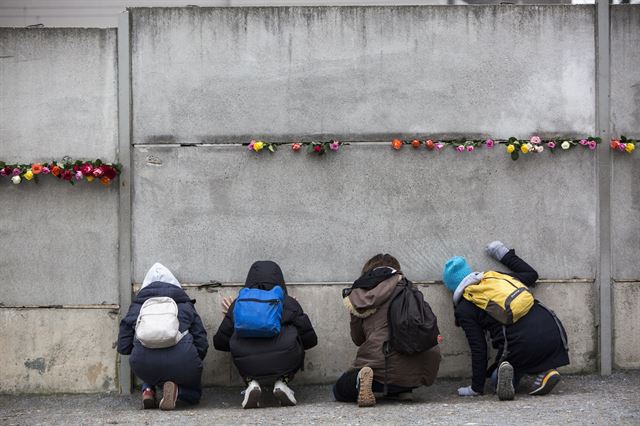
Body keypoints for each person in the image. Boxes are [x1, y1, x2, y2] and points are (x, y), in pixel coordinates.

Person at [443, 241, 569, 400]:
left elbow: (478, 347)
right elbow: (531, 274)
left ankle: (508, 377)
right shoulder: (496, 277)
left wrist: (476, 388)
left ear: (453, 288)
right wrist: (501, 253)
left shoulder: (465, 307)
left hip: (520, 345)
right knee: (531, 354)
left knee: (498, 377)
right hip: (553, 329)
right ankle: (547, 371)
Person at [333, 253, 442, 407]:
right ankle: (404, 390)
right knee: (400, 367)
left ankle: (361, 380)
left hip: (380, 372)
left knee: (339, 388)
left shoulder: (360, 294)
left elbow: (358, 339)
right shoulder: (410, 289)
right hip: (418, 372)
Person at [213, 260, 317, 409]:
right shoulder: (288, 302)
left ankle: (251, 383)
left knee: (236, 341)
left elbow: (220, 343)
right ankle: (283, 382)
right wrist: (294, 310)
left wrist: (233, 315)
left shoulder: (238, 304)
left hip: (248, 364)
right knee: (296, 339)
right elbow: (310, 340)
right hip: (284, 361)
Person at [117, 263, 208, 410]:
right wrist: (194, 360)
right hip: (183, 361)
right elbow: (201, 341)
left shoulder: (137, 307)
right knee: (195, 393)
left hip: (144, 364)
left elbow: (123, 347)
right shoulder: (185, 304)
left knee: (150, 367)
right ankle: (178, 392)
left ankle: (148, 390)